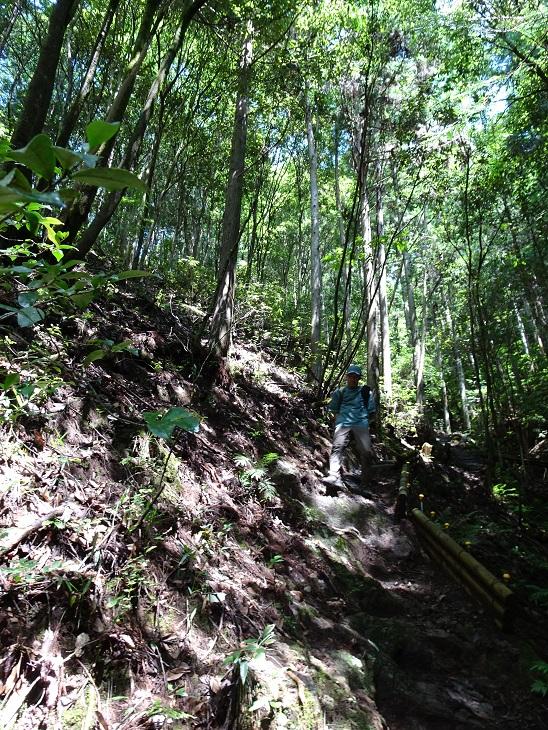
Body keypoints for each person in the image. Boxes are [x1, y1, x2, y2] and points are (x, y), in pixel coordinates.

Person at [323, 364, 376, 489]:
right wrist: (339, 422)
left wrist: (365, 423)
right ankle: (334, 475)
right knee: (337, 446)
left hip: (361, 422)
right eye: (350, 376)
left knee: (366, 451)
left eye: (355, 377)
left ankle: (366, 481)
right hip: (343, 422)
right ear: (346, 377)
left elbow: (372, 411)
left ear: (359, 378)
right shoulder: (339, 392)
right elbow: (334, 410)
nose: (352, 379)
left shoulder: (365, 392)